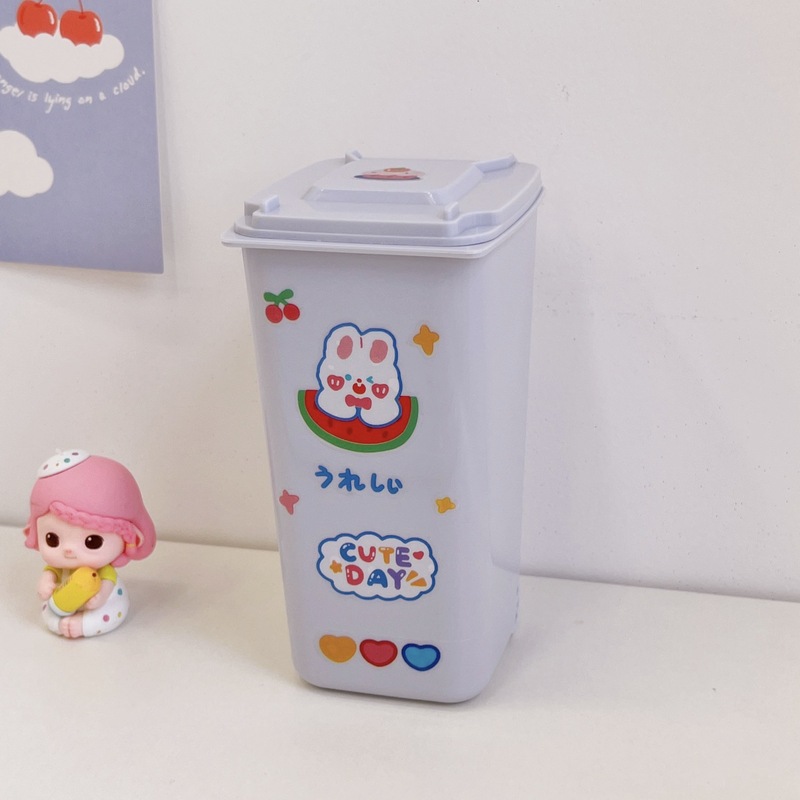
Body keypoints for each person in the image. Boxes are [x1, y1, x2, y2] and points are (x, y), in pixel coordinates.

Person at [23, 450, 156, 638]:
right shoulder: (59, 568)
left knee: (110, 612)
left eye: (92, 542)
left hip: (101, 604)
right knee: (49, 612)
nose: (69, 550)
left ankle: (85, 625)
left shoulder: (103, 571)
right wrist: (45, 583)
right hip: (61, 600)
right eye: (52, 539)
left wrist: (100, 597)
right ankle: (59, 622)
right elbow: (50, 572)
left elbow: (107, 583)